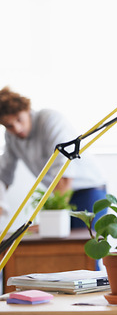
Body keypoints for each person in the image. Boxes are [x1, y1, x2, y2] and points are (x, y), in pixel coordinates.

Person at [0, 87, 107, 228]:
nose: (17, 128)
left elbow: (64, 174)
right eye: (9, 125)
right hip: (60, 194)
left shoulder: (50, 120)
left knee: (84, 244)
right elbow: (3, 176)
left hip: (88, 191)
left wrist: (49, 221)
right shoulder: (11, 137)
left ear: (27, 109)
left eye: (19, 119)